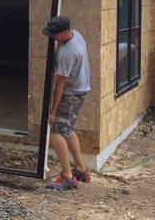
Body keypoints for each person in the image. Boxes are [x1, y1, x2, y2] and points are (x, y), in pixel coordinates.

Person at [42, 16, 91, 190]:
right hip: (81, 89)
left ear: (65, 32)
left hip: (70, 94)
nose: (53, 37)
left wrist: (53, 112)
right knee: (68, 129)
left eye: (55, 34)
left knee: (56, 132)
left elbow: (59, 85)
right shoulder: (76, 34)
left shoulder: (67, 54)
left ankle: (68, 177)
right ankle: (81, 170)